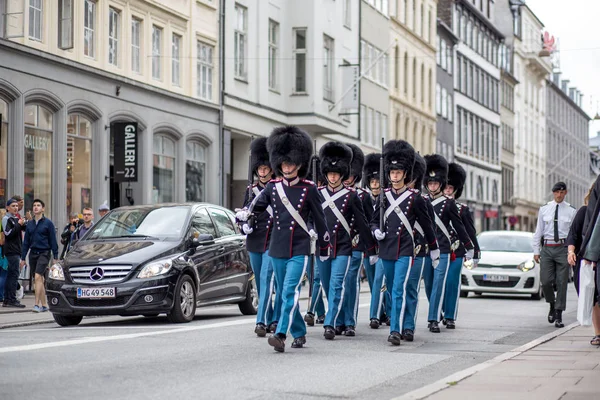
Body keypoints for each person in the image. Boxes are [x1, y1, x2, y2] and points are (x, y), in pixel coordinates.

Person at [236, 126, 330, 352]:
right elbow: (255, 208)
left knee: (289, 292)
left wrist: (324, 246)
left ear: (299, 164)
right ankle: (299, 332)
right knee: (289, 295)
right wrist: (244, 218)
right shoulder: (273, 187)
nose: (287, 167)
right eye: (284, 163)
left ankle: (280, 333)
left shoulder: (309, 189)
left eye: (291, 163)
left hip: (299, 249)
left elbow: (320, 220)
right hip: (276, 249)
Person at [371, 140, 439, 346]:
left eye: (399, 172)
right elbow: (374, 220)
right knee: (392, 290)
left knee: (401, 288)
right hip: (387, 249)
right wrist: (376, 231)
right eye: (392, 172)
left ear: (405, 174)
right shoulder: (383, 197)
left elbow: (427, 226)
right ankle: (406, 324)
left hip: (406, 249)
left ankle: (397, 330)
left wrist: (434, 248)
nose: (395, 176)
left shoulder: (416, 198)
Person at [316, 142, 377, 339]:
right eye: (330, 173)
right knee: (328, 285)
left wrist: (372, 248)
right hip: (324, 247)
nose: (333, 176)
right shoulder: (318, 194)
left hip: (346, 246)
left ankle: (335, 322)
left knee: (339, 284)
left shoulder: (353, 196)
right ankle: (340, 319)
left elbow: (363, 222)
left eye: (337, 173)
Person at [422, 154, 474, 333]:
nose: (433, 186)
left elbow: (461, 228)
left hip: (444, 249)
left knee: (441, 283)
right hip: (426, 250)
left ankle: (434, 319)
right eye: (430, 183)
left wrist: (470, 246)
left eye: (436, 184)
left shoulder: (450, 205)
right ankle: (437, 311)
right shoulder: (421, 201)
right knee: (429, 285)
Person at [239, 137, 280, 337]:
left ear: (272, 169)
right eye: (260, 169)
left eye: (266, 169)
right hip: (255, 240)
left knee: (266, 278)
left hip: (272, 239)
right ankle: (272, 316)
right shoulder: (250, 190)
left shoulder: (278, 188)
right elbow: (244, 213)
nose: (263, 172)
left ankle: (261, 321)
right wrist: (244, 225)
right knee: (261, 282)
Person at [338, 143, 375, 336]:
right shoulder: (332, 194)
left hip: (356, 244)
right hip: (337, 244)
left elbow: (369, 222)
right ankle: (338, 318)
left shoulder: (363, 196)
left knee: (351, 279)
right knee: (337, 282)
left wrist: (371, 247)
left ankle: (349, 320)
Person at [532, 182, 576, 328]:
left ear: (566, 193)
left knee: (562, 282)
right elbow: (538, 231)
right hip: (548, 248)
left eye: (562, 192)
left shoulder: (571, 211)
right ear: (553, 193)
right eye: (557, 192)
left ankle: (558, 313)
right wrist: (536, 251)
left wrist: (572, 251)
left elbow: (573, 234)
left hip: (563, 249)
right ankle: (551, 304)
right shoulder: (544, 209)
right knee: (545, 281)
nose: (559, 195)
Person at [442, 163, 480, 329]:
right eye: (446, 187)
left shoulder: (462, 209)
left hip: (456, 251)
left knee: (451, 282)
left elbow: (470, 232)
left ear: (456, 189)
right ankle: (440, 310)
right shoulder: (432, 205)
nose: (448, 191)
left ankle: (450, 316)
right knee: (434, 284)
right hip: (438, 249)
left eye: (451, 188)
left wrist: (475, 252)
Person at [401, 153, 431, 341]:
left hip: (417, 250)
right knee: (396, 289)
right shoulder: (389, 198)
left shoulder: (422, 200)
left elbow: (429, 226)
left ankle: (408, 326)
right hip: (396, 250)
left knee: (411, 288)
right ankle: (396, 323)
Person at [567, 185, 600, 345]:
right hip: (584, 261)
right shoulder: (583, 212)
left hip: (595, 258)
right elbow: (573, 234)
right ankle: (598, 333)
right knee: (591, 296)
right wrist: (571, 252)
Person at [363, 152, 391, 328]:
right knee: (374, 281)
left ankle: (383, 312)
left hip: (384, 245)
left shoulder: (387, 198)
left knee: (384, 282)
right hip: (369, 245)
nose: (374, 185)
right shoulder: (364, 199)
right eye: (372, 182)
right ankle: (377, 312)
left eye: (377, 182)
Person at [20, 199, 59, 312]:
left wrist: (55, 258)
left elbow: (53, 241)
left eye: (38, 205)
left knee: (37, 276)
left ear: (43, 208)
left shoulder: (48, 223)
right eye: (34, 205)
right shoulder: (30, 224)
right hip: (33, 254)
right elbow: (26, 242)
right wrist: (23, 258)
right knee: (39, 279)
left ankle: (36, 304)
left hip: (44, 253)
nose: (36, 207)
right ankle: (45, 305)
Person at [304, 156, 327, 326]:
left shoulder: (323, 195)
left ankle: (311, 310)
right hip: (303, 240)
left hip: (320, 240)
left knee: (318, 277)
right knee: (311, 276)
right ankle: (321, 312)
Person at [2, 199, 26, 308]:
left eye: (17, 206)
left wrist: (24, 223)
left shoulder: (15, 218)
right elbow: (8, 233)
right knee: (13, 275)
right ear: (7, 207)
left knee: (12, 275)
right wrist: (18, 225)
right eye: (13, 206)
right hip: (11, 251)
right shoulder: (6, 218)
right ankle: (11, 299)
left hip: (16, 250)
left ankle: (8, 299)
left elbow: (22, 230)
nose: (16, 207)